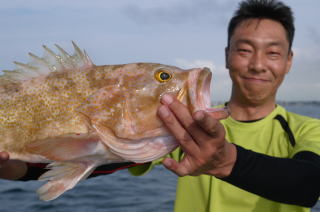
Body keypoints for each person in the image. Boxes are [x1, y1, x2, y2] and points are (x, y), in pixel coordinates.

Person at [1, 0, 319, 211]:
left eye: (273, 53)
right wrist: (16, 170)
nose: (258, 64)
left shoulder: (310, 129)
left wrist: (224, 160)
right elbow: (100, 162)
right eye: (245, 50)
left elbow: (308, 184)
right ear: (227, 55)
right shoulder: (175, 135)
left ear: (289, 61)